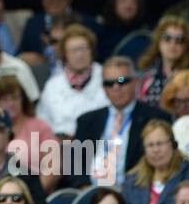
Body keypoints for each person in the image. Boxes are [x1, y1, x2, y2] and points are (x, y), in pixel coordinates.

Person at [70, 57, 168, 187]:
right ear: (103, 88)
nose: (116, 87)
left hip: (135, 193)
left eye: (122, 80)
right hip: (92, 195)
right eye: (109, 83)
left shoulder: (155, 118)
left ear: (135, 83)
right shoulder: (86, 120)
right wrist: (85, 189)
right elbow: (73, 165)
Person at [122, 119, 189, 204]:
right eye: (150, 145)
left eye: (160, 143)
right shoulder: (132, 180)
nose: (156, 150)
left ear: (173, 144)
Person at [35, 24, 107, 138]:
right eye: (73, 50)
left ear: (92, 51)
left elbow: (122, 79)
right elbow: (42, 123)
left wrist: (121, 79)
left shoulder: (107, 77)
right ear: (65, 55)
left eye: (83, 49)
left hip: (100, 144)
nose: (79, 55)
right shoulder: (53, 85)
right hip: (61, 148)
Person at [136, 15, 189, 107]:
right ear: (158, 40)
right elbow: (121, 78)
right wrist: (121, 79)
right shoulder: (145, 74)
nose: (173, 44)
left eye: (180, 40)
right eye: (167, 38)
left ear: (186, 45)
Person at [94, 0, 149, 64]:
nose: (128, 5)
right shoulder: (101, 31)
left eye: (133, 0)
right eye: (123, 0)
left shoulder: (146, 32)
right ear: (114, 2)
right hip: (116, 76)